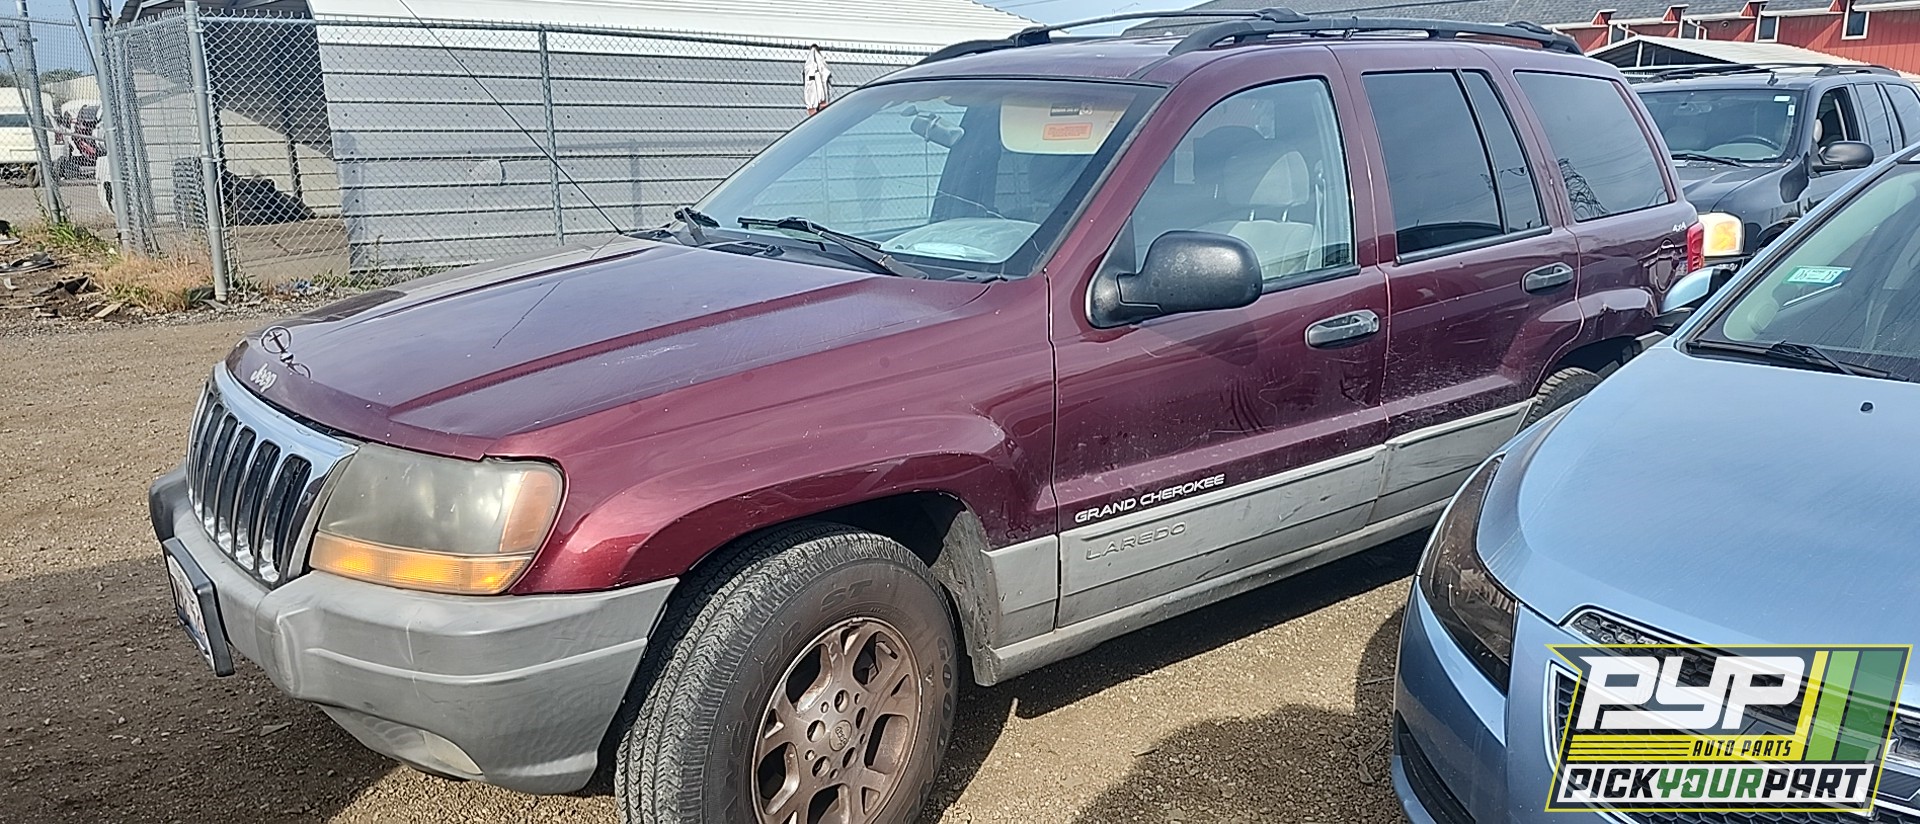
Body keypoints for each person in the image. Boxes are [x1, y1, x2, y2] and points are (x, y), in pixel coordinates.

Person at [804, 44, 832, 116]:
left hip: (820, 99)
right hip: (818, 99)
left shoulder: (814, 68)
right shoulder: (812, 69)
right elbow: (811, 80)